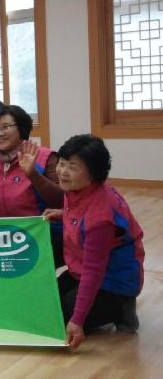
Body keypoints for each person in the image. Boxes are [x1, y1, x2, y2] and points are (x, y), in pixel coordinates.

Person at [43, 135, 144, 351]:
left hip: (113, 282)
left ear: (93, 174)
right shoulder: (77, 188)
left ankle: (122, 307)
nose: (62, 171)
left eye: (73, 167)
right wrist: (63, 214)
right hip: (78, 271)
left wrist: (78, 321)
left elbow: (94, 271)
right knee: (44, 303)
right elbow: (81, 212)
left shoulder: (101, 218)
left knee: (62, 317)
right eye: (62, 163)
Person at [0, 105, 64, 265]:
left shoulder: (45, 157)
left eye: (6, 127)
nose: (0, 133)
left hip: (45, 236)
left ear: (22, 128)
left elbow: (61, 200)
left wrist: (33, 174)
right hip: (4, 239)